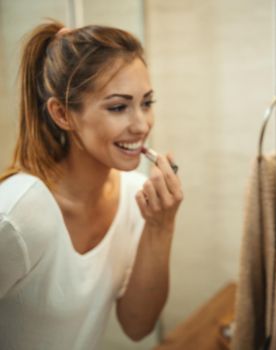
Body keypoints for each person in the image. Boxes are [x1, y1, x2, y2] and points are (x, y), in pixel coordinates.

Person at [0, 21, 183, 349]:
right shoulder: (18, 214)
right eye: (118, 107)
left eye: (146, 103)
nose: (141, 125)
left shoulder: (135, 194)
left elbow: (138, 325)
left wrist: (161, 225)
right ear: (62, 114)